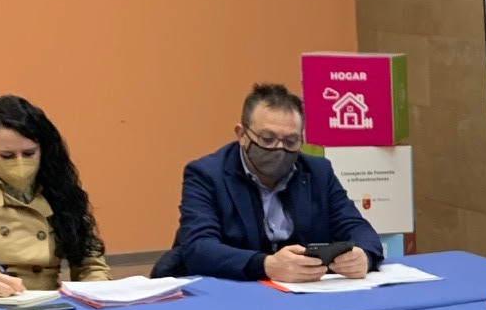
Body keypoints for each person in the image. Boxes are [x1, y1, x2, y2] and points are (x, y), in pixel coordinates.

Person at [162, 83, 383, 283]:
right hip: (231, 289)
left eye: (291, 141)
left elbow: (358, 228)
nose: (279, 149)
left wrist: (364, 256)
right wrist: (266, 265)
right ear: (242, 135)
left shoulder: (318, 171)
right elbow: (198, 247)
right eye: (267, 139)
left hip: (304, 291)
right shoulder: (206, 174)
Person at [0, 95, 109, 302]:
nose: (20, 163)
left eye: (29, 153)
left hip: (48, 305)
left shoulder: (61, 191)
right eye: (7, 156)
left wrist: (96, 295)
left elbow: (90, 265)